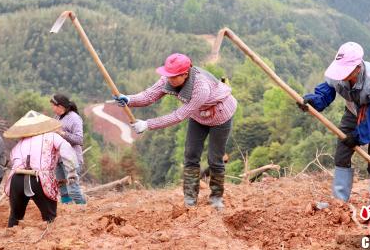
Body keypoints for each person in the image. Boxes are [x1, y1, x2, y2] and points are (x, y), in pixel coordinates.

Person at [114, 53, 237, 209]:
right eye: (168, 75)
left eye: (173, 76)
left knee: (215, 159)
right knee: (191, 155)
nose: (169, 79)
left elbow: (179, 115)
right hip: (198, 115)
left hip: (220, 114)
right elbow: (149, 95)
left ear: (185, 74)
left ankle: (216, 198)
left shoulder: (201, 87)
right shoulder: (167, 79)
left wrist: (148, 124)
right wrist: (130, 99)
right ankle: (190, 200)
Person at [299, 42, 370, 201]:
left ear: (358, 68)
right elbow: (326, 92)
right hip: (352, 112)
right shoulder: (335, 74)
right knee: (342, 154)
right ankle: (340, 202)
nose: (342, 74)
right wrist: (313, 102)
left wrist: (359, 136)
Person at [4, 110, 78, 227]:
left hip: (16, 179)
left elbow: (13, 157)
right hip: (39, 179)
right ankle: (49, 240)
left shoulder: (20, 142)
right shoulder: (52, 136)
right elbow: (67, 150)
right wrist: (72, 171)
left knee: (15, 217)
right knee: (50, 217)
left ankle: (9, 238)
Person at [50, 94, 87, 204]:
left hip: (71, 159)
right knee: (63, 190)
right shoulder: (56, 118)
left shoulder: (74, 118)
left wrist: (62, 133)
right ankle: (68, 213)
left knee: (73, 190)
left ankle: (83, 210)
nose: (52, 108)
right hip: (59, 159)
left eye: (53, 106)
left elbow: (79, 139)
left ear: (60, 107)